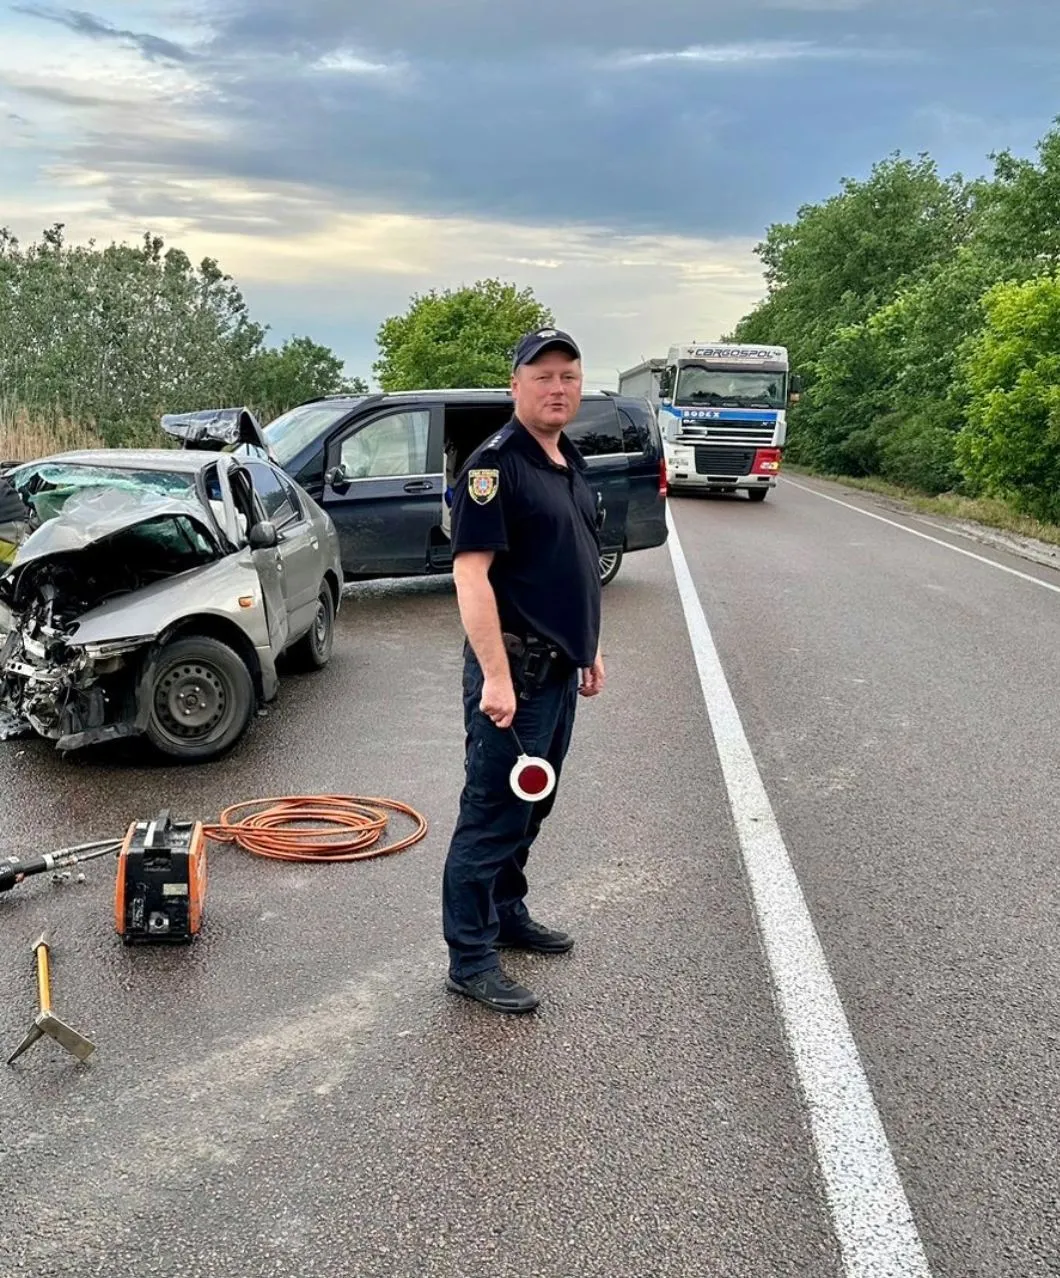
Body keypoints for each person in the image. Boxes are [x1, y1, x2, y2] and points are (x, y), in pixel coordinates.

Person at [442, 327, 605, 1014]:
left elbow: (570, 563)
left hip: (559, 671)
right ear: (515, 386)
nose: (558, 387)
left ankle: (507, 914)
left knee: (531, 807)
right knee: (491, 816)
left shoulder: (567, 457)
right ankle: (471, 960)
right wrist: (498, 678)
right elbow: (470, 575)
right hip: (517, 679)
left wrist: (588, 646)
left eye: (568, 375)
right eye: (543, 376)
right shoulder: (495, 465)